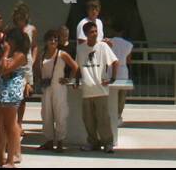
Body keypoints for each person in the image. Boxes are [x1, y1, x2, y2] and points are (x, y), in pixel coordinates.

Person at [0, 26, 29, 167]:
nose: (7, 42)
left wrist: (5, 53)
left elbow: (5, 68)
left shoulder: (20, 55)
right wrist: (4, 60)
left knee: (9, 126)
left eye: (9, 39)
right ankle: (0, 157)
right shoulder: (9, 54)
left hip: (12, 92)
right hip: (1, 91)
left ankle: (11, 160)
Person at [75, 21, 118, 153]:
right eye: (91, 32)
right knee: (88, 120)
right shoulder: (80, 48)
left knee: (103, 119)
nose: (94, 34)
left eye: (95, 31)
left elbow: (115, 62)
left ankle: (108, 143)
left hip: (101, 90)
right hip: (87, 91)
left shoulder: (103, 46)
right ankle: (92, 142)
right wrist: (76, 81)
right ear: (86, 34)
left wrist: (112, 79)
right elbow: (78, 66)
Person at [36, 30, 77, 152]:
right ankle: (49, 140)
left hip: (59, 87)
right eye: (50, 39)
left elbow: (75, 66)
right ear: (46, 41)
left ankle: (60, 141)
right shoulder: (42, 54)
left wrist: (69, 79)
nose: (53, 41)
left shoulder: (62, 54)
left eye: (55, 39)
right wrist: (40, 80)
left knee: (60, 113)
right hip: (46, 88)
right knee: (46, 114)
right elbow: (37, 69)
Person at [12, 1, 37, 132]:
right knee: (14, 94)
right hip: (15, 63)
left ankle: (19, 122)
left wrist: (33, 59)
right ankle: (13, 121)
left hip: (27, 64)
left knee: (23, 96)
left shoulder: (31, 29)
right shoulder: (11, 31)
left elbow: (35, 46)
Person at [104, 19, 134, 118]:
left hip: (110, 71)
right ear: (122, 31)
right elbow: (129, 60)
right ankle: (118, 115)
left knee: (110, 94)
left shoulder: (107, 42)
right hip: (123, 71)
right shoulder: (128, 44)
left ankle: (110, 114)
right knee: (121, 96)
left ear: (112, 30)